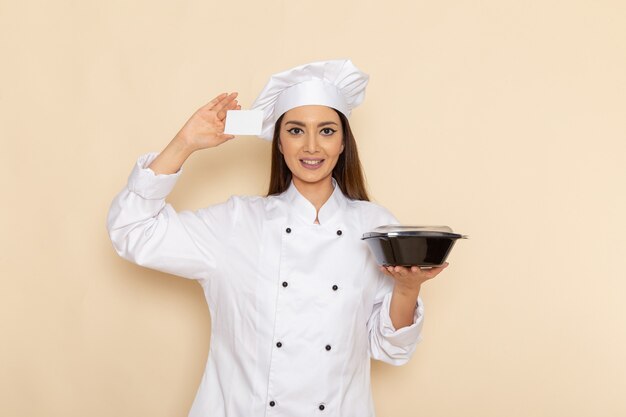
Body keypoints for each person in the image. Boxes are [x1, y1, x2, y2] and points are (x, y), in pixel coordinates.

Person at [106, 59, 448, 417]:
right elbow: (132, 230)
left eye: (327, 131)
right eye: (296, 131)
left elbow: (391, 350)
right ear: (279, 143)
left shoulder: (374, 226)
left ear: (344, 141)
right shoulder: (237, 223)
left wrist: (408, 289)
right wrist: (184, 143)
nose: (312, 147)